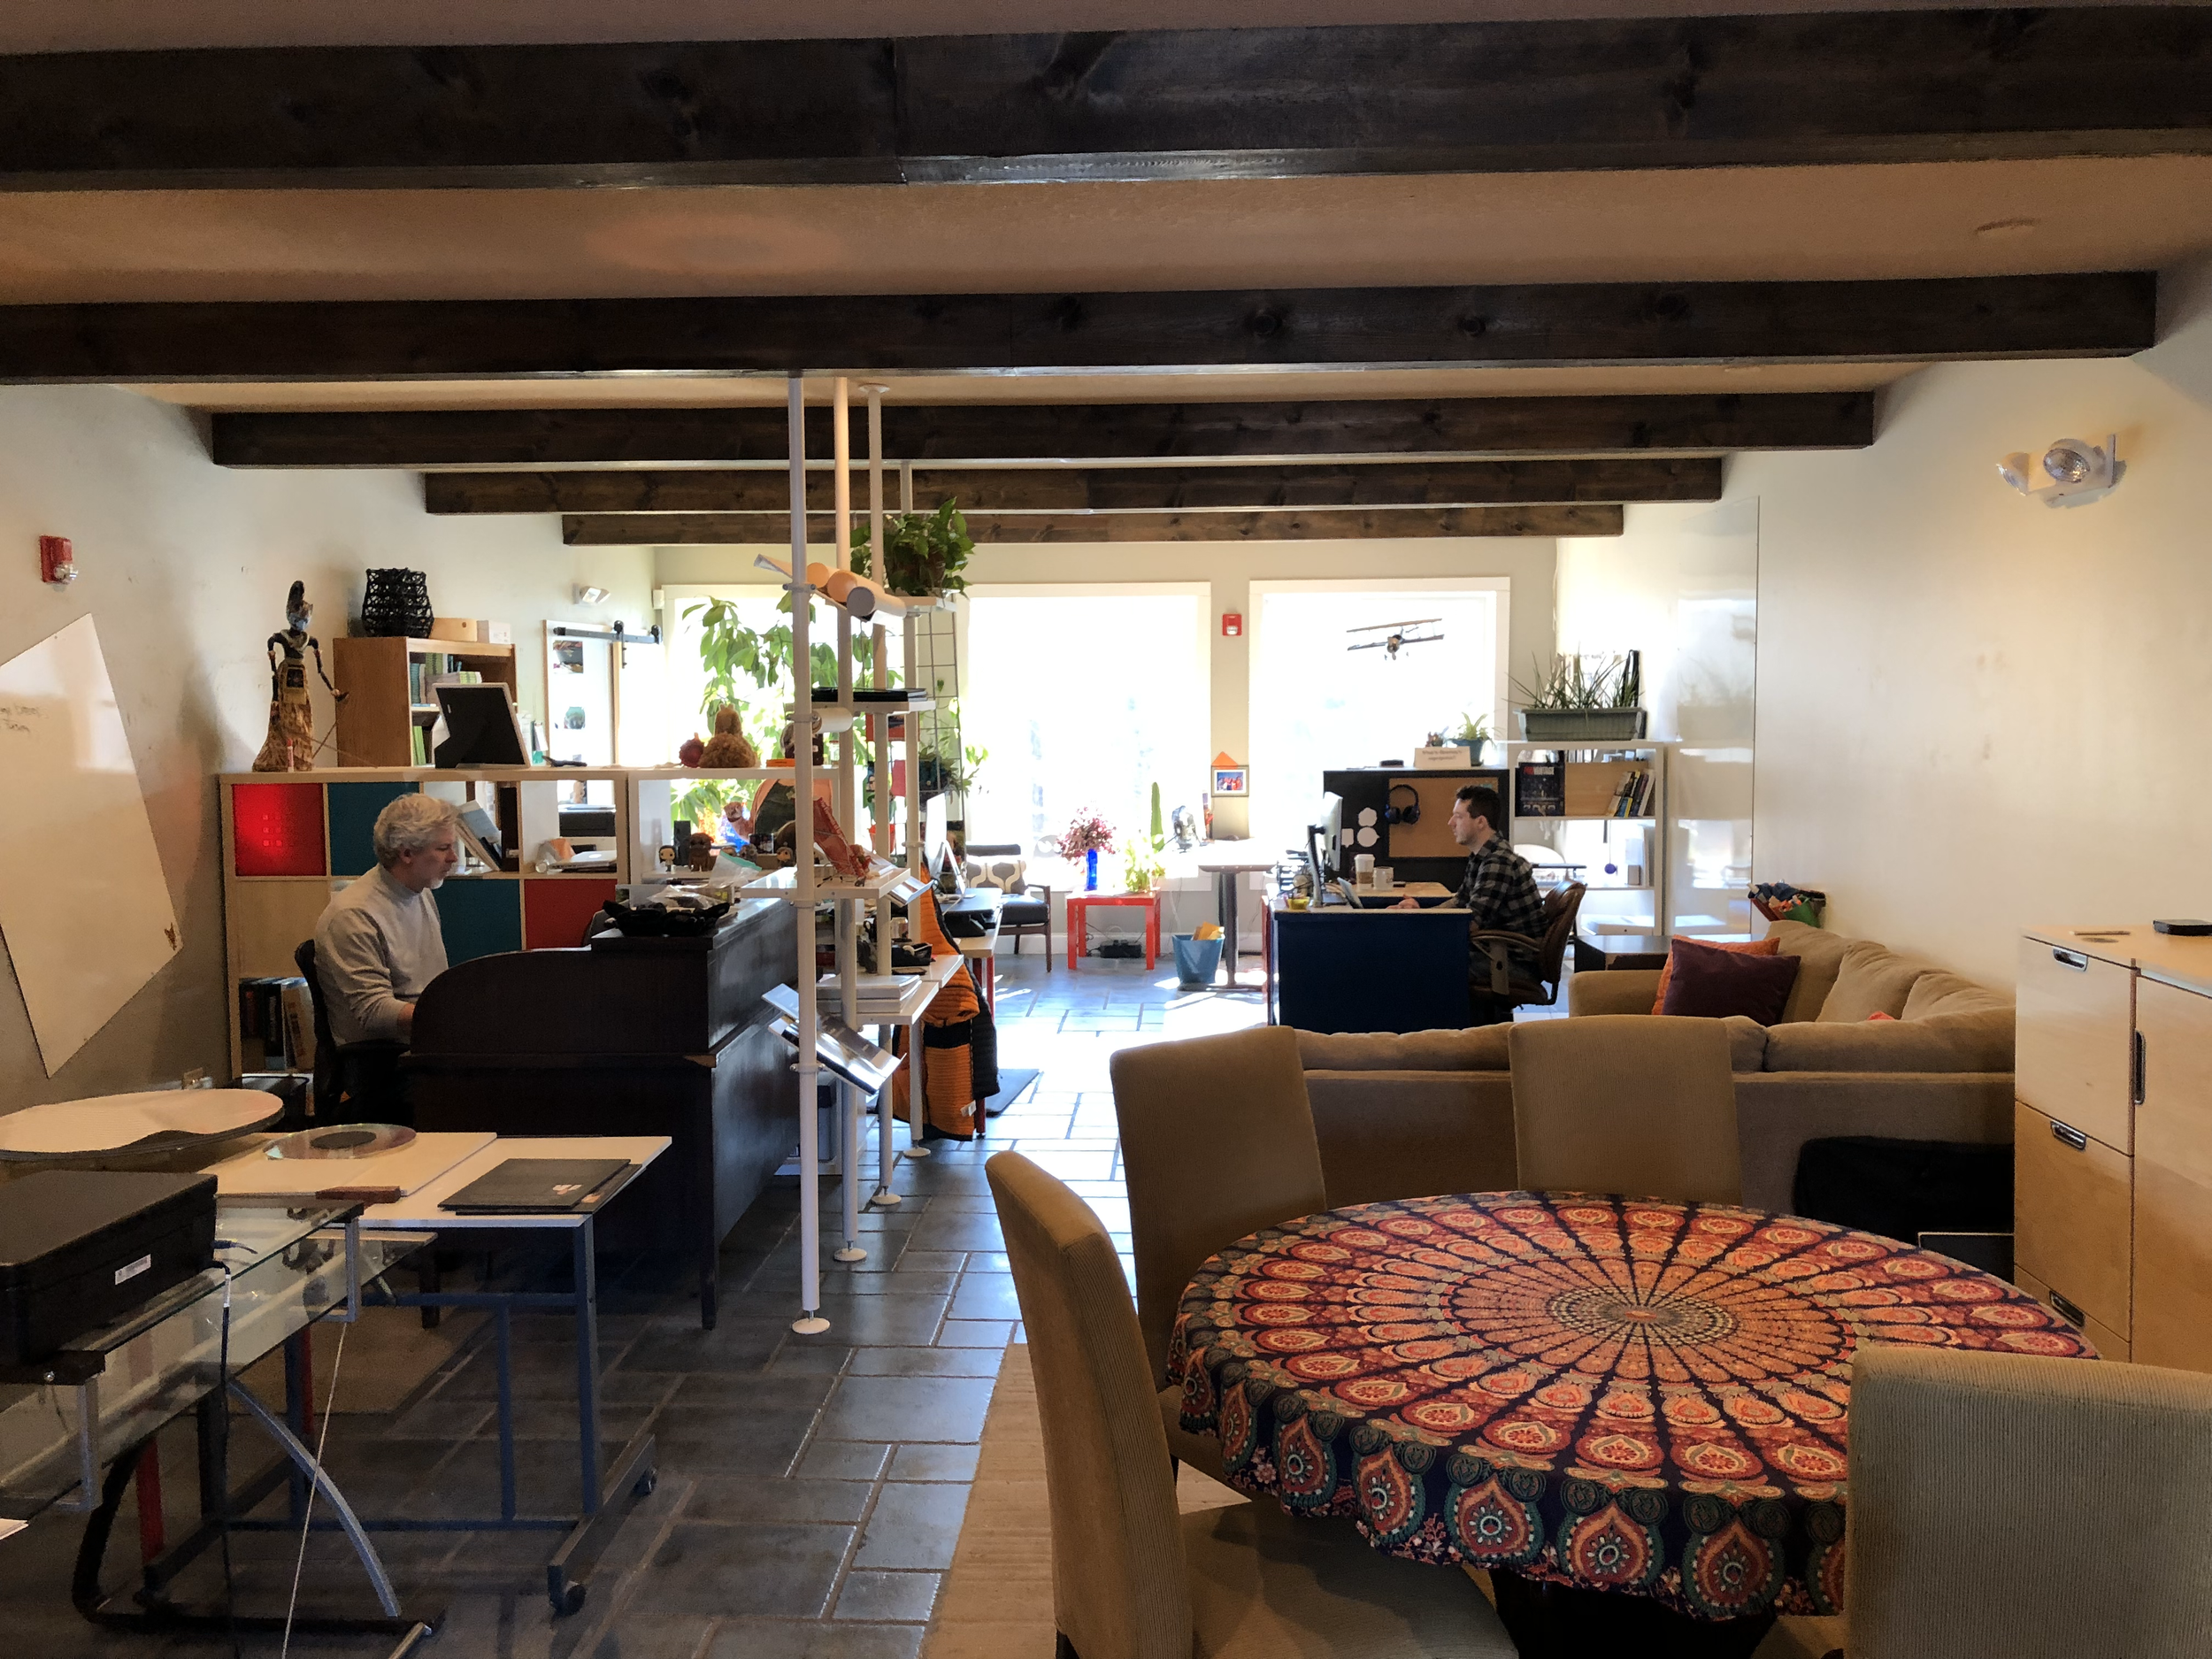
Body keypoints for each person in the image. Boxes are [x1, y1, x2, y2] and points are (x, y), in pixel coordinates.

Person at [311, 795, 459, 1116]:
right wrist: (451, 1018)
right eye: (443, 848)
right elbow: (375, 1012)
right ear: (407, 853)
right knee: (499, 1088)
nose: (454, 858)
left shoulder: (420, 894)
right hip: (382, 1065)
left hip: (421, 1047)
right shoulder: (354, 915)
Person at [1396, 783, 1544, 1025]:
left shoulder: (1498, 862)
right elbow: (1460, 902)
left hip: (1509, 961)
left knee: (1419, 962)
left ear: (1480, 822)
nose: (1450, 823)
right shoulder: (1483, 857)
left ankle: (1451, 1044)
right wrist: (1421, 913)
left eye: (1458, 816)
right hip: (1494, 951)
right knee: (1417, 954)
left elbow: (1470, 924)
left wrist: (1422, 926)